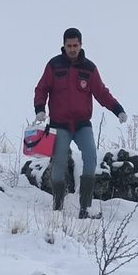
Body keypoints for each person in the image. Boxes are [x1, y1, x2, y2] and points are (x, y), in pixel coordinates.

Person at [34, 28, 127, 219]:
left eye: (76, 45)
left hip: (82, 124)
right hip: (60, 125)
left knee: (91, 157)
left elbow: (101, 93)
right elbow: (41, 88)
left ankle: (85, 207)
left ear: (81, 45)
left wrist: (118, 109)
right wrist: (40, 109)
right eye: (69, 46)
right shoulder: (54, 65)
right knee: (58, 168)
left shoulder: (89, 68)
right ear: (64, 45)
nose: (72, 49)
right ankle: (58, 206)